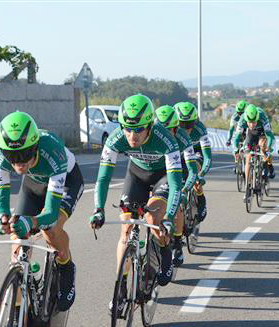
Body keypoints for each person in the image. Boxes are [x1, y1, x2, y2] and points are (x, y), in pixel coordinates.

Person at [89, 94, 183, 307]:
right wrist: (98, 209)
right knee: (126, 229)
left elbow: (176, 183)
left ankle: (164, 248)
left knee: (152, 216)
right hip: (137, 175)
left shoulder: (166, 138)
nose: (132, 135)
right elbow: (103, 177)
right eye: (127, 128)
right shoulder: (115, 138)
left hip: (162, 177)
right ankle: (120, 287)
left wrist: (169, 216)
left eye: (139, 129)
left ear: (150, 125)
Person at [0, 111, 84, 312]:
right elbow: (1, 202)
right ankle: (17, 311)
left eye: (24, 154)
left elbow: (50, 213)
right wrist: (1, 219)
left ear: (35, 147)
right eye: (11, 156)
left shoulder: (53, 152)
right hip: (33, 185)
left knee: (50, 229)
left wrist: (32, 222)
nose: (18, 162)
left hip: (66, 183)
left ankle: (66, 265)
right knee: (17, 237)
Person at [155, 105, 198, 268]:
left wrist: (186, 189)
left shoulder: (183, 138)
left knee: (177, 201)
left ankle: (177, 243)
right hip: (158, 170)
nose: (165, 135)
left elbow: (193, 170)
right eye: (162, 130)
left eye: (170, 130)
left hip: (179, 168)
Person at [174, 101, 211, 222]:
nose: (185, 128)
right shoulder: (171, 129)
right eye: (181, 124)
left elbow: (207, 157)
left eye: (189, 124)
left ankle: (200, 198)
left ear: (195, 122)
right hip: (180, 152)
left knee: (195, 169)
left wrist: (200, 175)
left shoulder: (200, 129)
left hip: (195, 151)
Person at [234, 104, 275, 202]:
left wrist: (268, 149)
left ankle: (266, 166)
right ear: (246, 119)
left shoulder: (262, 117)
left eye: (254, 122)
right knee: (248, 156)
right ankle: (248, 187)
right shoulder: (242, 119)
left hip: (262, 132)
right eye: (250, 122)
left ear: (257, 118)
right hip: (251, 133)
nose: (252, 124)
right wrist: (236, 149)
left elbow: (270, 136)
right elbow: (236, 137)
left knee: (263, 146)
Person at [226, 100, 247, 167]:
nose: (239, 114)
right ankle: (236, 161)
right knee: (235, 144)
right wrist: (229, 139)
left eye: (241, 113)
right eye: (238, 112)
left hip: (246, 131)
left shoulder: (247, 115)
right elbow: (231, 129)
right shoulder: (234, 116)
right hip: (239, 132)